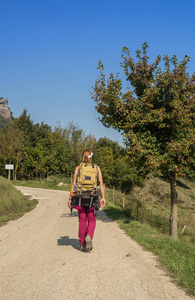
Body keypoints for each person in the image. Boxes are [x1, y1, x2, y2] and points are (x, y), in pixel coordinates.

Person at [68, 150, 105, 251]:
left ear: (82, 157)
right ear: (91, 158)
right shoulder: (97, 168)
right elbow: (101, 184)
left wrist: (70, 198)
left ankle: (81, 243)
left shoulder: (78, 168)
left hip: (80, 198)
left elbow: (74, 184)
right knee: (92, 220)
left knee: (82, 220)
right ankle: (89, 235)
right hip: (93, 198)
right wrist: (102, 197)